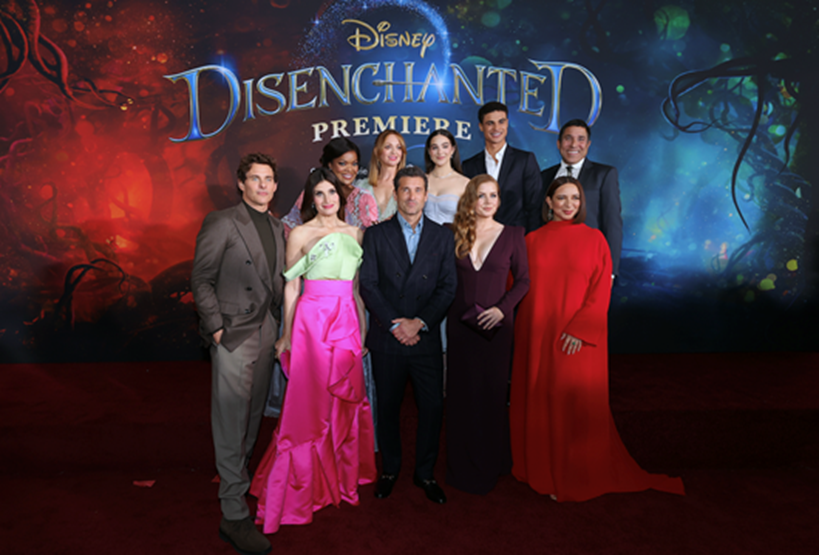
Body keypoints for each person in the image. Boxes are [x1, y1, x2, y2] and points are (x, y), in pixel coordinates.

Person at [509, 176, 684, 502]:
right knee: (539, 397)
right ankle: (542, 470)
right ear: (548, 202)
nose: (569, 204)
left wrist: (581, 329)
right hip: (537, 333)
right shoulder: (530, 240)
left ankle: (571, 475)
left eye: (575, 198)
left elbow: (601, 289)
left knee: (572, 404)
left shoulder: (595, 239)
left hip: (577, 337)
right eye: (561, 198)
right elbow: (514, 284)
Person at [250, 168, 376, 534]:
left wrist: (361, 333)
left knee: (344, 401)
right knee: (309, 405)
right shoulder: (300, 234)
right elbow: (291, 288)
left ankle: (338, 476)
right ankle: (301, 486)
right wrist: (288, 335)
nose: (326, 200)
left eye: (331, 192)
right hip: (311, 324)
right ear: (310, 199)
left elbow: (356, 291)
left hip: (347, 323)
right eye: (319, 194)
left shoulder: (356, 233)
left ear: (342, 196)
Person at [191, 153, 285, 555]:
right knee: (231, 420)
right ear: (241, 183)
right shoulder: (223, 221)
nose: (263, 185)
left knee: (251, 417)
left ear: (275, 186)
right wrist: (216, 328)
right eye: (255, 178)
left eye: (269, 179)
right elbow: (201, 278)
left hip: (266, 331)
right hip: (232, 333)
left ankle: (237, 482)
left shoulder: (279, 227)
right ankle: (232, 515)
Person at [359, 166, 457, 504]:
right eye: (405, 190)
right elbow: (368, 285)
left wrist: (420, 323)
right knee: (387, 407)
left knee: (432, 407)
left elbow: (448, 287)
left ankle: (425, 473)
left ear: (426, 195)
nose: (412, 196)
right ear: (397, 194)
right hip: (388, 338)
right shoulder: (376, 234)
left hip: (425, 337)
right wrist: (396, 325)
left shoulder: (443, 236)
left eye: (418, 190)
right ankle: (390, 469)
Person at [446, 175, 530, 495]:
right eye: (481, 195)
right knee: (461, 395)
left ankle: (490, 464)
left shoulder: (513, 234)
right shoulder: (453, 233)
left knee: (491, 395)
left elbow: (523, 281)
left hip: (496, 328)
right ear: (471, 199)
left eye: (493, 195)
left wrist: (501, 309)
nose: (487, 202)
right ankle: (460, 466)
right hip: (460, 328)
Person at [540, 119, 623, 276]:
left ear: (588, 144)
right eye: (568, 138)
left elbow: (612, 223)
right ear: (558, 143)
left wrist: (610, 272)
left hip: (587, 261)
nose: (573, 145)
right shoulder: (544, 176)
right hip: (548, 259)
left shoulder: (604, 174)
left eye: (580, 139)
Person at [462, 101, 542, 232]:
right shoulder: (468, 166)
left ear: (507, 123)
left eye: (501, 122)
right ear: (481, 126)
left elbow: (535, 207)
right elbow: (467, 208)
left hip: (516, 235)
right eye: (490, 123)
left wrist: (529, 240)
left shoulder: (525, 160)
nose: (496, 128)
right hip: (480, 236)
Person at [280, 137, 377, 236]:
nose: (349, 169)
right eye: (342, 163)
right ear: (330, 164)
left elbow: (373, 235)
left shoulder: (364, 197)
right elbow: (289, 227)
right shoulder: (313, 191)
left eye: (354, 164)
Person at [357, 129, 407, 221]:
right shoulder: (361, 186)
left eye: (399, 147)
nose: (394, 152)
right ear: (377, 151)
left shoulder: (408, 186)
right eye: (388, 147)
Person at [423, 129, 469, 225]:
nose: (440, 152)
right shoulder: (420, 180)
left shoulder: (465, 183)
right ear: (429, 151)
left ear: (452, 150)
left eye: (445, 146)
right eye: (435, 147)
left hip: (452, 234)